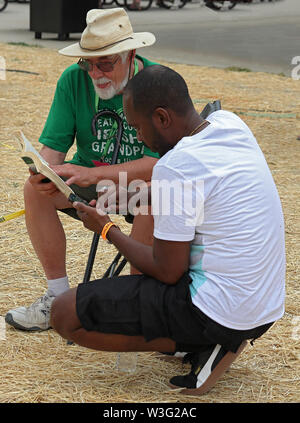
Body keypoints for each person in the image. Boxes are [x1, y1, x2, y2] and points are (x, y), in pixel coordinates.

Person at [50, 65, 285, 395]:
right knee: (153, 226)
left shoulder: (176, 166)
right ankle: (210, 340)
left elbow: (168, 270)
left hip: (220, 311)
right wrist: (140, 193)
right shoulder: (229, 124)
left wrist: (106, 229)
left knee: (64, 313)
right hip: (263, 306)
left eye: (138, 127)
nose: (138, 137)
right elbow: (205, 189)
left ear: (161, 118)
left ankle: (209, 342)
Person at [5, 8, 158, 332]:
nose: (95, 73)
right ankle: (57, 298)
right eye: (88, 63)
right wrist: (45, 172)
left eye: (106, 63)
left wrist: (95, 175)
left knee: (155, 197)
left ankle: (138, 306)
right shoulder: (72, 80)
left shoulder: (156, 83)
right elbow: (53, 150)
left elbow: (160, 165)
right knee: (35, 190)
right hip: (88, 184)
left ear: (131, 54)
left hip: (141, 186)